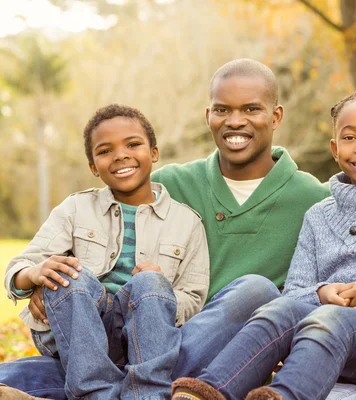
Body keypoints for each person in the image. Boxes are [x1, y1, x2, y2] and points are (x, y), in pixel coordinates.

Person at [0, 59, 330, 399]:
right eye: (222, 110)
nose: (235, 121)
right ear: (208, 116)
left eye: (251, 109)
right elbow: (90, 230)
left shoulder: (315, 199)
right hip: (119, 334)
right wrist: (42, 280)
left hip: (203, 339)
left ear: (275, 117)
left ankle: (133, 387)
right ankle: (141, 390)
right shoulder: (167, 183)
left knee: (256, 292)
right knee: (106, 344)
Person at [171, 89, 356, 400]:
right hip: (319, 341)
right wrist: (322, 292)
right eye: (350, 138)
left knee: (329, 319)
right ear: (335, 150)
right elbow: (296, 289)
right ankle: (209, 392)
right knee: (278, 310)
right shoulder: (319, 215)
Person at [3, 104, 210, 399]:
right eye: (105, 151)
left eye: (133, 144)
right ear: (93, 167)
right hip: (77, 333)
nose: (120, 155)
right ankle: (95, 393)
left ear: (154, 153)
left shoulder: (187, 222)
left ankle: (147, 394)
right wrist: (35, 273)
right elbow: (18, 268)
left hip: (145, 336)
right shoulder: (76, 208)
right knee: (69, 274)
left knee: (150, 282)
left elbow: (194, 298)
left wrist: (160, 290)